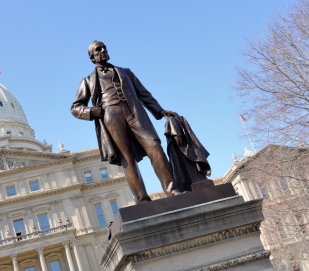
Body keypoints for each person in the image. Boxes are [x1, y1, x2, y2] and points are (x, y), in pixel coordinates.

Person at [71, 41, 181, 203]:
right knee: (127, 159)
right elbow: (75, 107)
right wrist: (91, 111)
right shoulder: (87, 81)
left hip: (135, 113)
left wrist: (160, 111)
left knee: (154, 146)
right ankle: (142, 199)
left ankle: (173, 190)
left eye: (104, 48)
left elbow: (144, 94)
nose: (103, 51)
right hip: (111, 117)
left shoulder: (125, 72)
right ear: (92, 57)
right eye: (98, 49)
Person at [164, 113, 211, 192]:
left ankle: (188, 186)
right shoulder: (181, 120)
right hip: (189, 147)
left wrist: (179, 145)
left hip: (181, 149)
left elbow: (177, 134)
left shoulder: (171, 120)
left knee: (185, 170)